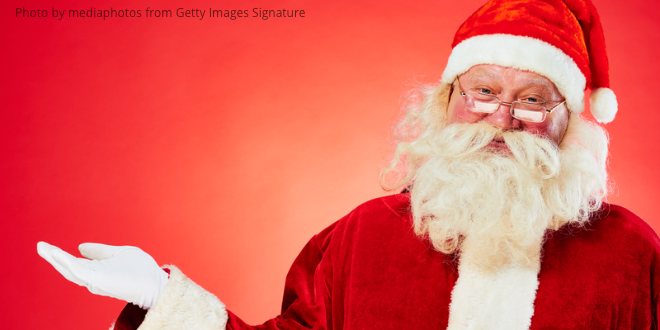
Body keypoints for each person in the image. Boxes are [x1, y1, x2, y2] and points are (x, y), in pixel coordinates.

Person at [37, 0, 660, 329]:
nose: (501, 120)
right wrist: (160, 296)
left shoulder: (631, 253)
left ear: (570, 122)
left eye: (532, 100)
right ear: (447, 103)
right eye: (484, 91)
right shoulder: (364, 237)